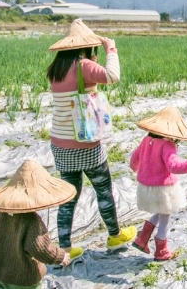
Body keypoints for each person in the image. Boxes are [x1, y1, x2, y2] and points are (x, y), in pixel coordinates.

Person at [46, 18, 136, 260]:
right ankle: (115, 236)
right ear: (86, 47)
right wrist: (111, 50)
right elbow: (112, 76)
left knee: (69, 197)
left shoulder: (55, 69)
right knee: (103, 190)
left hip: (60, 144)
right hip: (85, 143)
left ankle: (64, 248)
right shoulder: (83, 65)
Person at [129, 106, 187, 260]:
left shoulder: (146, 140)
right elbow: (174, 166)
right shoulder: (167, 145)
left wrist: (136, 169)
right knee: (165, 217)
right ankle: (161, 251)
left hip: (146, 187)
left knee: (161, 212)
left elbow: (134, 159)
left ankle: (142, 239)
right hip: (163, 188)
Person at [0, 159, 74, 289]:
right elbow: (41, 249)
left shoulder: (0, 214)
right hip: (23, 278)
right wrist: (60, 256)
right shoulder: (31, 221)